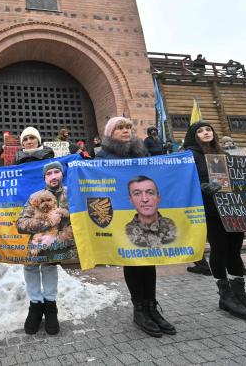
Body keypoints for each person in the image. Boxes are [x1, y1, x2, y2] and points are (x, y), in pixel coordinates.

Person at [95, 117, 175, 337]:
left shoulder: (141, 153)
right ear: (111, 132)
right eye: (120, 128)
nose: (126, 131)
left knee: (148, 262)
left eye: (128, 127)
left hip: (144, 213)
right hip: (121, 214)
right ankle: (139, 309)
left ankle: (152, 307)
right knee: (132, 261)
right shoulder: (102, 156)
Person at [183, 122, 246, 321]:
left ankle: (240, 294)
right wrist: (203, 187)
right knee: (219, 250)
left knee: (234, 251)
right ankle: (225, 296)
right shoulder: (190, 156)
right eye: (201, 130)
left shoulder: (225, 154)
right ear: (193, 135)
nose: (206, 133)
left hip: (234, 208)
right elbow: (185, 181)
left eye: (209, 129)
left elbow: (245, 177)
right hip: (212, 211)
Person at [16, 155, 73, 336]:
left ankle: (50, 307)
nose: (53, 176)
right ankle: (35, 305)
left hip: (60, 247)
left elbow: (83, 215)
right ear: (45, 178)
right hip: (36, 246)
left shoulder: (70, 194)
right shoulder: (36, 197)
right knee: (31, 268)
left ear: (62, 174)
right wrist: (46, 222)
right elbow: (21, 224)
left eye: (57, 172)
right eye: (49, 173)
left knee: (49, 269)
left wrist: (65, 215)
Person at [13, 127, 61, 335]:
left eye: (33, 137)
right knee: (30, 263)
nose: (29, 141)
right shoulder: (16, 161)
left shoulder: (49, 160)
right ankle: (35, 304)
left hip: (47, 212)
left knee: (48, 263)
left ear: (38, 140)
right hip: (23, 209)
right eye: (25, 138)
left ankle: (50, 305)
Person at [125, 176, 177, 248]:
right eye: (137, 194)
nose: (145, 199)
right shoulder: (125, 232)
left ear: (158, 198)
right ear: (130, 200)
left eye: (150, 193)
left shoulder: (172, 227)